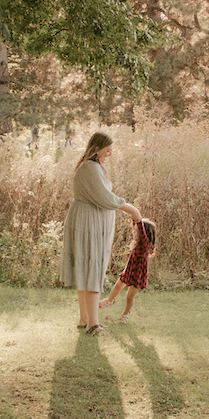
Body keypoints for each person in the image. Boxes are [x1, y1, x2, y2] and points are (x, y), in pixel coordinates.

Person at [59, 131, 141, 335]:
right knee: (92, 268)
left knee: (87, 269)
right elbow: (106, 198)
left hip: (89, 221)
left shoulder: (90, 167)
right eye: (107, 150)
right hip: (89, 224)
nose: (110, 154)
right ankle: (93, 324)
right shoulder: (90, 168)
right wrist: (131, 209)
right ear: (96, 148)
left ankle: (85, 319)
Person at [100, 218, 156, 322]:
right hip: (129, 272)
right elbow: (135, 223)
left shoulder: (144, 245)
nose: (134, 232)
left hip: (137, 276)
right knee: (117, 287)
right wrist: (132, 214)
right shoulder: (137, 243)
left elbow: (140, 228)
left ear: (143, 233)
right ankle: (110, 300)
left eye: (136, 231)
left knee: (129, 297)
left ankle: (126, 314)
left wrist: (139, 220)